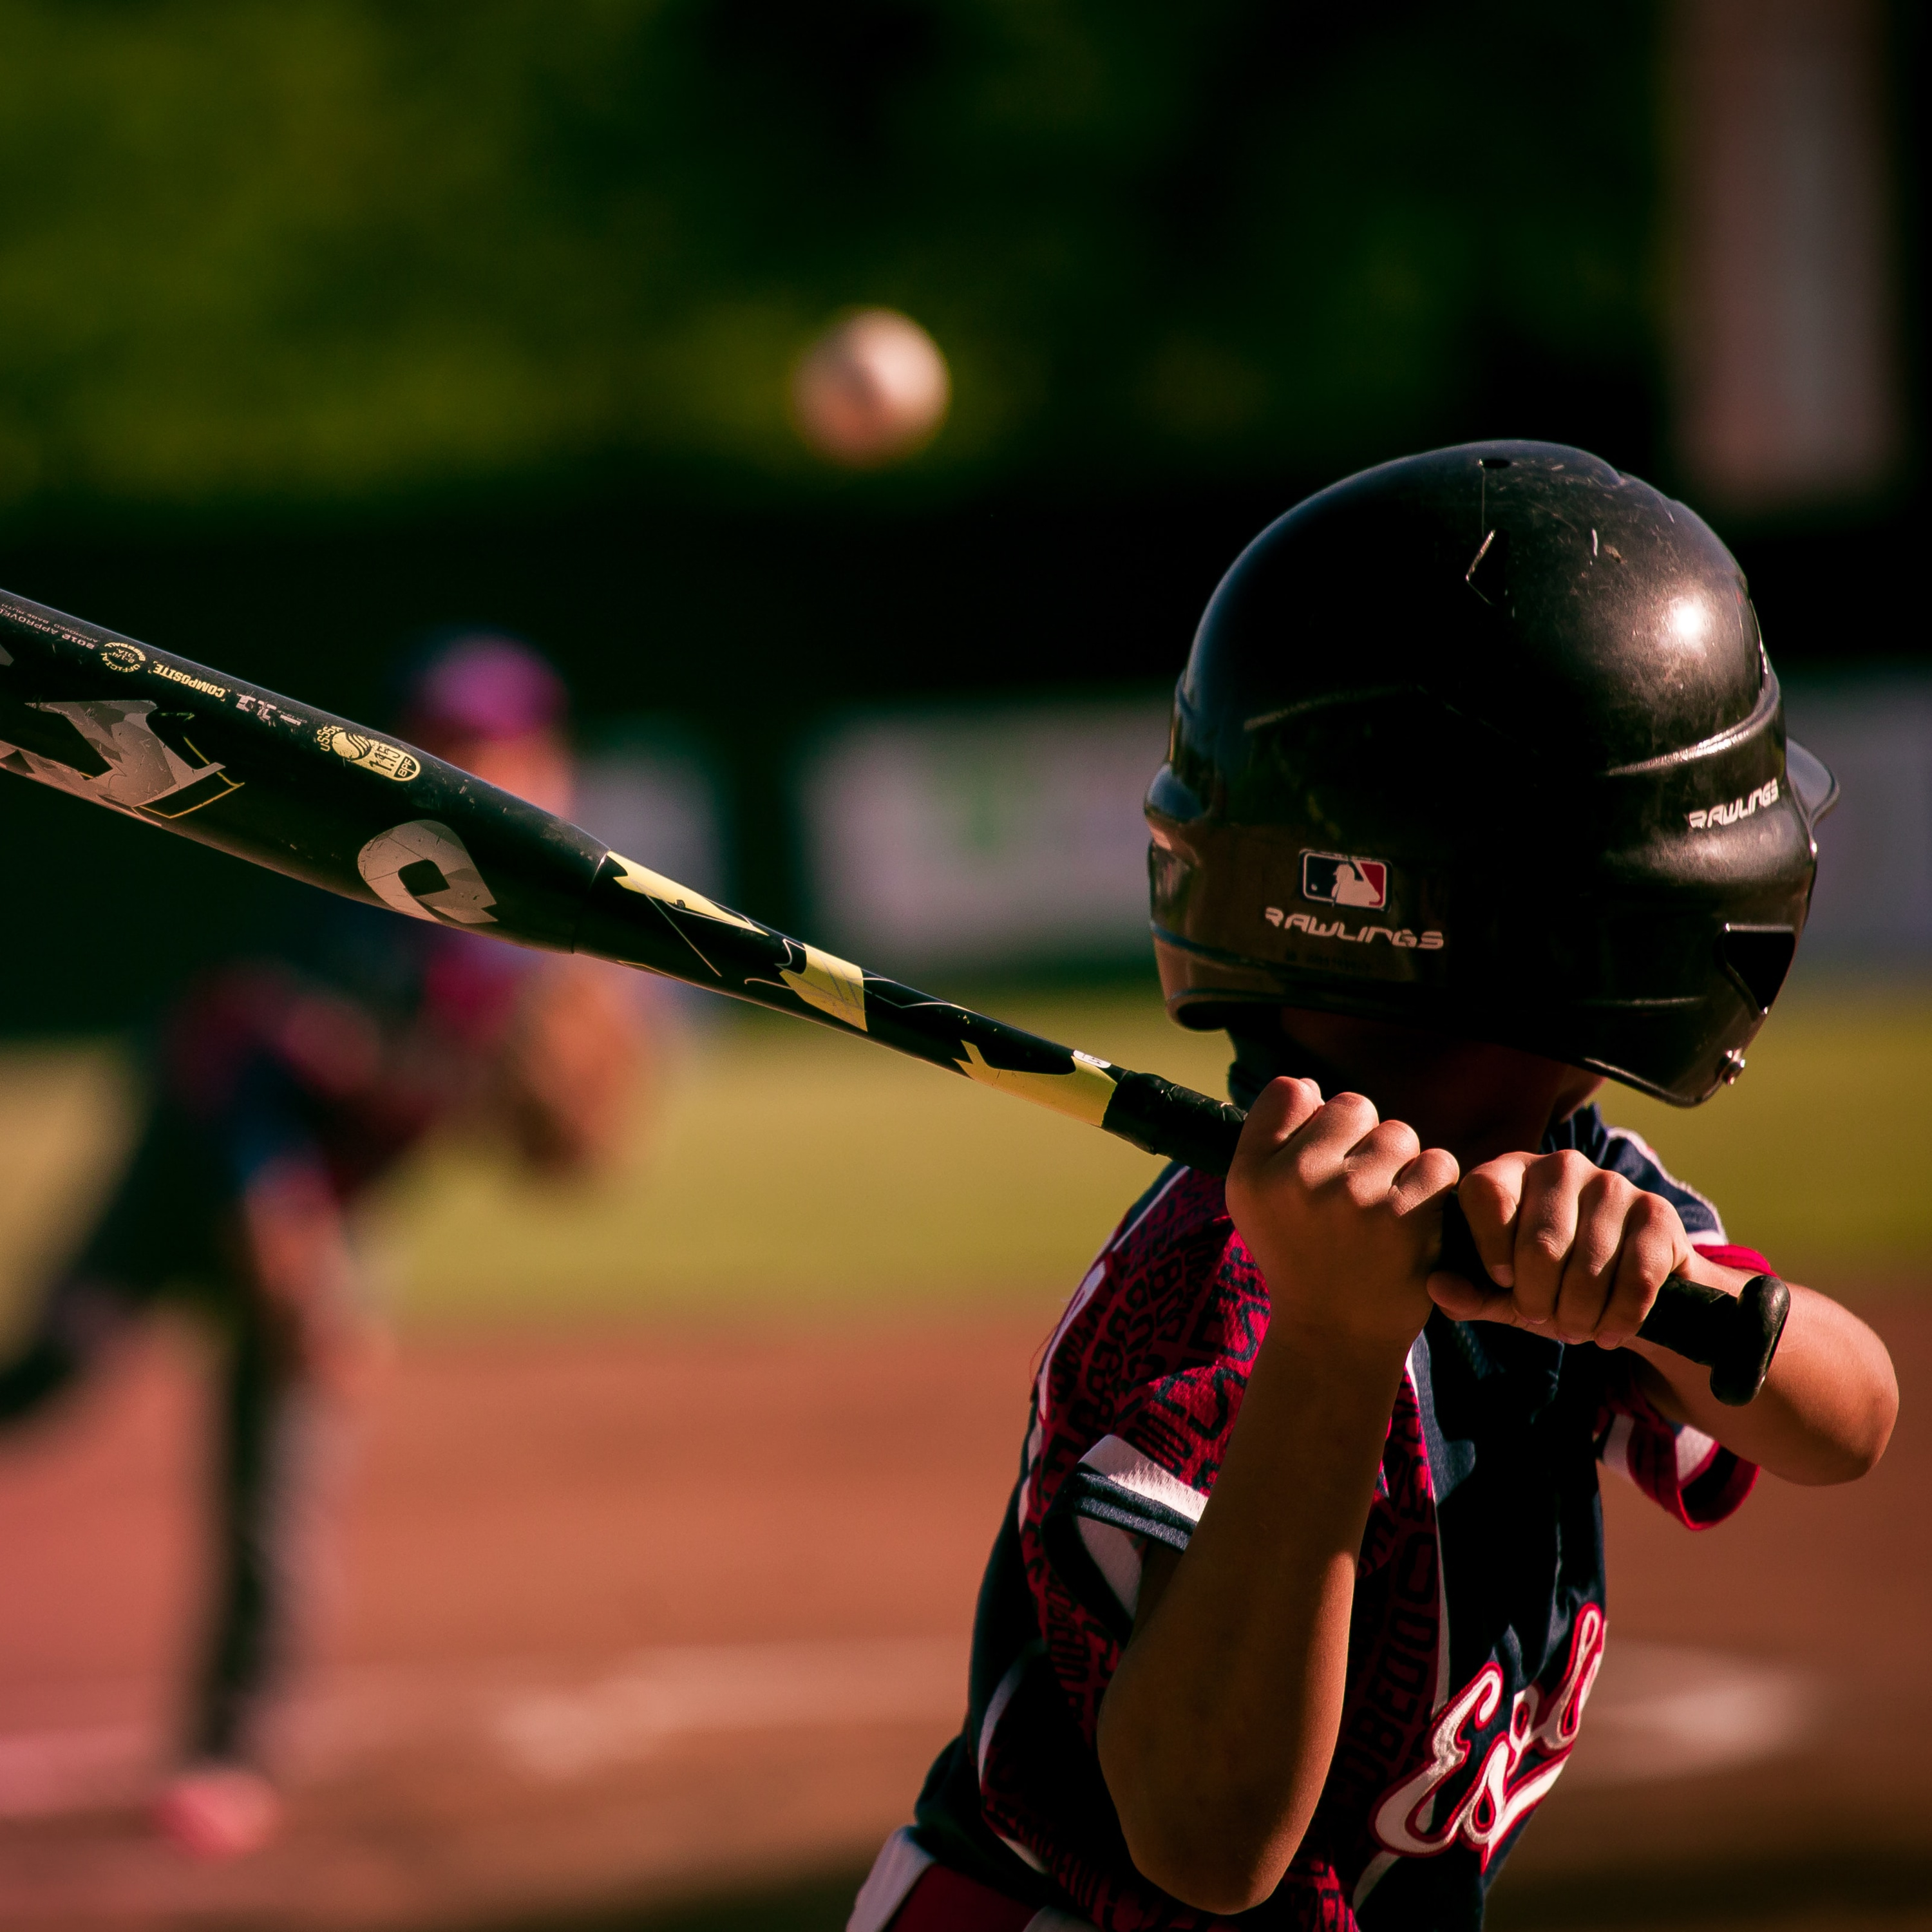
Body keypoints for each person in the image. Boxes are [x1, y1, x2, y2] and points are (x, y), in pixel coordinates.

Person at [848, 443, 1899, 1931]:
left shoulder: (1576, 1182)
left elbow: (1852, 1423)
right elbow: (1206, 1845)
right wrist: (1336, 1344)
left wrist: (1660, 1298)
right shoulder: (1205, 1300)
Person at [0, 632, 648, 1859]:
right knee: (53, 1370)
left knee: (275, 1483)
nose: (487, 764)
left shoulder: (550, 936)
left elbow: (554, 1143)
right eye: (455, 741)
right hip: (189, 1175)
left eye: (509, 743)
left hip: (332, 1205)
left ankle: (231, 1754)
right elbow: (248, 1071)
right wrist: (288, 1241)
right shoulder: (347, 885)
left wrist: (560, 1126)